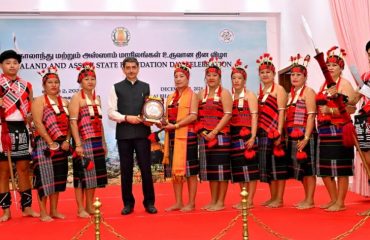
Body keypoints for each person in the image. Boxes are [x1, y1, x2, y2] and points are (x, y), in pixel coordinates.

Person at [108, 57, 157, 215]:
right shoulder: (116, 88)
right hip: (124, 134)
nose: (130, 70)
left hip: (143, 134)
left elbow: (152, 109)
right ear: (123, 69)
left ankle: (149, 203)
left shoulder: (146, 87)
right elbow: (110, 112)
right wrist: (126, 118)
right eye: (127, 67)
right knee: (126, 170)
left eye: (133, 67)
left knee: (146, 170)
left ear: (138, 68)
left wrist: (151, 120)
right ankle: (128, 203)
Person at [315, 46, 359, 211]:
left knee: (341, 169)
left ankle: (340, 202)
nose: (331, 67)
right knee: (325, 170)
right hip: (325, 131)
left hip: (339, 130)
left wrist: (331, 110)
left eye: (334, 65)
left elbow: (350, 108)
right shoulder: (324, 85)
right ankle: (333, 199)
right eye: (328, 65)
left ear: (341, 68)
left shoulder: (345, 85)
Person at [0, 50, 39, 221]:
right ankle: (6, 210)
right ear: (1, 65)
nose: (12, 66)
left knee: (23, 169)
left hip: (21, 128)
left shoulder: (27, 85)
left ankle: (27, 207)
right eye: (8, 63)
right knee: (3, 171)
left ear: (19, 65)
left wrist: (32, 118)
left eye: (15, 63)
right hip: (3, 128)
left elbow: (31, 109)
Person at [69, 62, 107, 218]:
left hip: (97, 140)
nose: (90, 81)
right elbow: (72, 122)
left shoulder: (97, 98)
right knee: (81, 176)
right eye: (87, 79)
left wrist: (104, 142)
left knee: (93, 176)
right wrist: (78, 144)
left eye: (93, 78)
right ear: (80, 81)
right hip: (83, 142)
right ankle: (80, 208)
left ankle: (90, 205)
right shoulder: (76, 98)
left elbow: (101, 122)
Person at [31, 66, 70, 221]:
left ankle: (54, 210)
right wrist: (50, 142)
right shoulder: (38, 101)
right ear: (44, 85)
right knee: (45, 178)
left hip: (62, 145)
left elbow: (70, 124)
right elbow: (38, 123)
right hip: (44, 145)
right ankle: (43, 212)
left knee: (58, 178)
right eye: (50, 82)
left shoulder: (65, 102)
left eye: (56, 82)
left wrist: (67, 140)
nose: (54, 85)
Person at [161, 62, 199, 212]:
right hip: (171, 136)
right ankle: (178, 202)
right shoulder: (170, 97)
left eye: (181, 76)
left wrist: (176, 126)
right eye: (175, 76)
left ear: (187, 78)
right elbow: (165, 117)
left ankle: (191, 202)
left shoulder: (192, 95)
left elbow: (193, 116)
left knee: (190, 172)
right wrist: (162, 123)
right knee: (175, 172)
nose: (178, 79)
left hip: (187, 136)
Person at [197, 57, 232, 211]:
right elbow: (197, 115)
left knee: (221, 170)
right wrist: (204, 132)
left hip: (221, 136)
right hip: (206, 137)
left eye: (214, 76)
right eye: (209, 75)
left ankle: (221, 202)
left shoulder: (225, 93)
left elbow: (228, 114)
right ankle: (213, 200)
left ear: (219, 78)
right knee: (212, 170)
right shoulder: (200, 94)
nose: (211, 78)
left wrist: (215, 131)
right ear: (205, 77)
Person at [285, 54, 317, 210]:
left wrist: (306, 137)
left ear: (305, 77)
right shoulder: (290, 95)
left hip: (305, 134)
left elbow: (311, 115)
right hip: (293, 134)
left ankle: (310, 200)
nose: (295, 77)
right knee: (302, 169)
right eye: (293, 75)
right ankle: (306, 198)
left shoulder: (308, 92)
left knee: (309, 169)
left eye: (298, 75)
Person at [256, 53, 288, 208]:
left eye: (268, 72)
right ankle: (272, 196)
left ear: (273, 74)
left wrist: (279, 132)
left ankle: (279, 198)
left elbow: (282, 111)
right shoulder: (260, 92)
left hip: (275, 132)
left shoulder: (279, 89)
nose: (265, 75)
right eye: (262, 72)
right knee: (268, 166)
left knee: (278, 166)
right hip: (263, 133)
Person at [229, 59, 259, 209]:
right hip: (234, 136)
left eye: (239, 78)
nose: (236, 81)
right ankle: (243, 198)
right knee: (240, 169)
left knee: (251, 169)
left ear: (244, 80)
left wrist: (253, 136)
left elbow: (254, 116)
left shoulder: (250, 95)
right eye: (234, 78)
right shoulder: (230, 97)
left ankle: (251, 200)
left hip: (247, 134)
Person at [356, 40, 370, 216]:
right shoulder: (365, 76)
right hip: (364, 121)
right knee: (367, 162)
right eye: (369, 53)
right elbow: (354, 98)